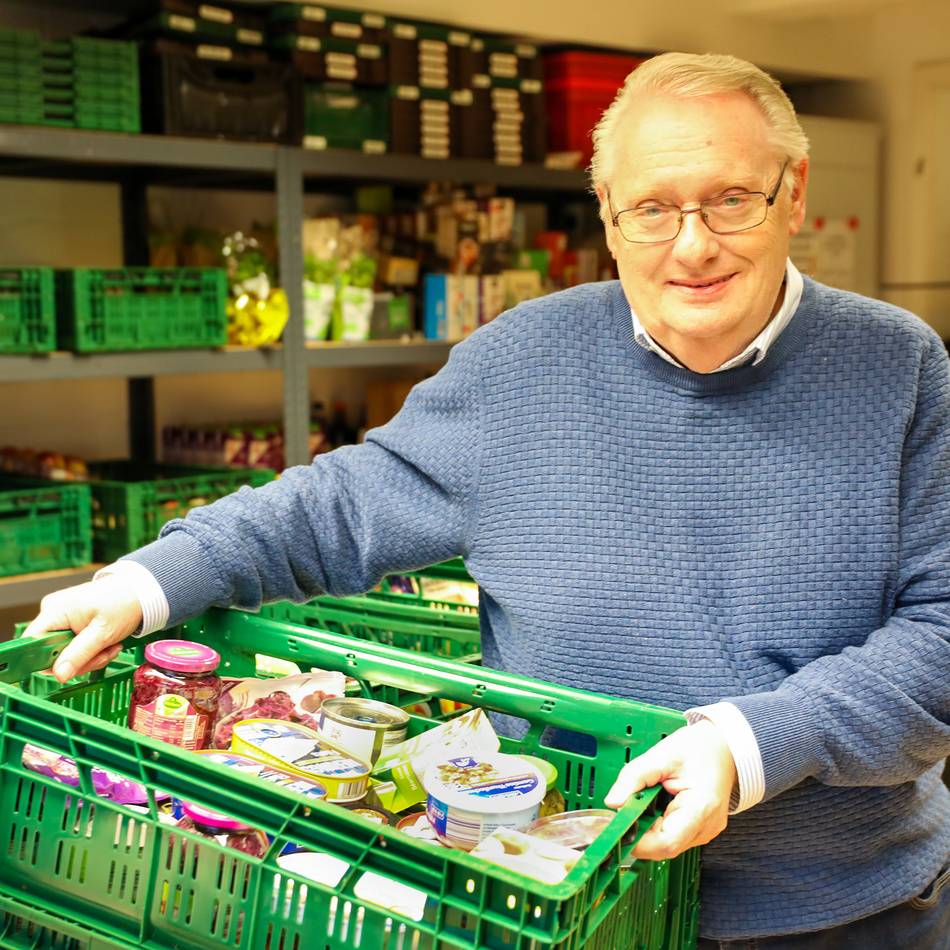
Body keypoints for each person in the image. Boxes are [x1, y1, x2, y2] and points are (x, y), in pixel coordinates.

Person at [25, 52, 949, 947]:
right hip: (559, 904)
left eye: (731, 201)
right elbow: (343, 504)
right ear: (607, 217)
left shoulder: (901, 368)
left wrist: (754, 745)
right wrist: (150, 579)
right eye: (652, 210)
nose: (693, 245)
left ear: (794, 193)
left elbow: (942, 630)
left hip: (846, 913)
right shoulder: (522, 364)